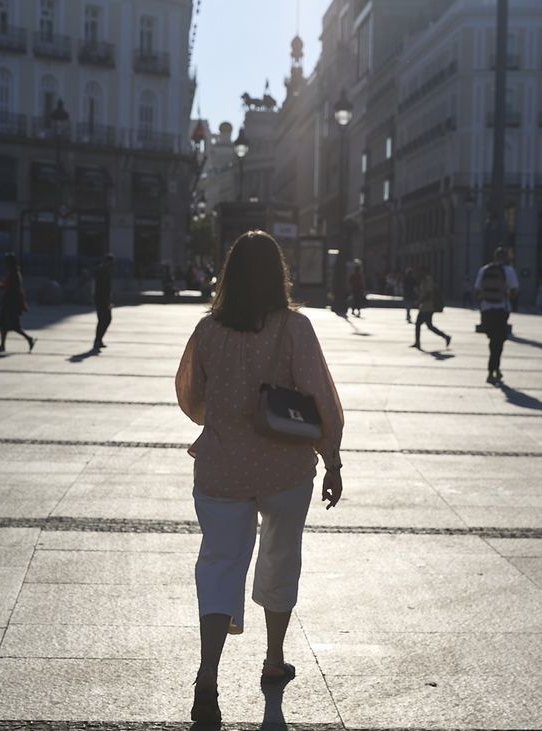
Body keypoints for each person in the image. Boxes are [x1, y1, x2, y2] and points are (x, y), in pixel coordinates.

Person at [174, 230, 344, 726]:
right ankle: (273, 660)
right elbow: (321, 399)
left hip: (222, 468)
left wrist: (224, 417)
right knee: (280, 557)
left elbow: (190, 394)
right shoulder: (296, 329)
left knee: (220, 565)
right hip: (285, 467)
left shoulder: (208, 330)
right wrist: (331, 458)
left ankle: (208, 676)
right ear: (279, 275)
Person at [474, 247, 519, 384]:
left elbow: (477, 290)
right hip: (501, 309)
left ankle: (494, 369)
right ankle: (492, 370)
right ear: (505, 257)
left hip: (487, 309)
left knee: (493, 340)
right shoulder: (508, 270)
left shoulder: (484, 269)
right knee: (498, 342)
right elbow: (514, 290)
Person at [0, 254, 35, 353]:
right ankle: (2, 345)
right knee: (2, 324)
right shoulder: (13, 273)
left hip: (11, 303)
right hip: (9, 302)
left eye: (6, 262)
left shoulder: (14, 274)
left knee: (14, 326)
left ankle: (29, 339)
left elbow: (9, 288)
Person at [412, 272, 451, 349]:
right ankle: (417, 342)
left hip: (428, 308)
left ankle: (446, 337)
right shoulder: (423, 281)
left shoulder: (428, 280)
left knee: (426, 325)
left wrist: (419, 302)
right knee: (422, 325)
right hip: (423, 307)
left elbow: (428, 294)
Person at [94, 254, 113, 350]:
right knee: (105, 320)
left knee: (104, 320)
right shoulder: (103, 271)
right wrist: (107, 301)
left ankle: (98, 339)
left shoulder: (103, 270)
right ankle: (98, 340)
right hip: (102, 300)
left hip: (102, 299)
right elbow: (103, 288)